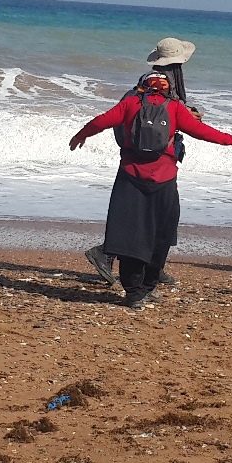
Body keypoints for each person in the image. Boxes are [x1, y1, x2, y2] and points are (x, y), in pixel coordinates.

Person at [69, 67, 232, 308]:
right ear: (168, 89)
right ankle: (147, 287)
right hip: (165, 180)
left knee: (130, 236)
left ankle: (133, 294)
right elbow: (203, 132)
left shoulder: (130, 103)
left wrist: (81, 135)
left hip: (130, 177)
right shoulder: (174, 108)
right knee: (160, 238)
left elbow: (101, 121)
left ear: (142, 86)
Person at [86, 37, 198, 289]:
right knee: (148, 217)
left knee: (148, 216)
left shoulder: (151, 88)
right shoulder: (161, 89)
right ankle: (110, 254)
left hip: (149, 160)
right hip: (149, 162)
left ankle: (148, 268)